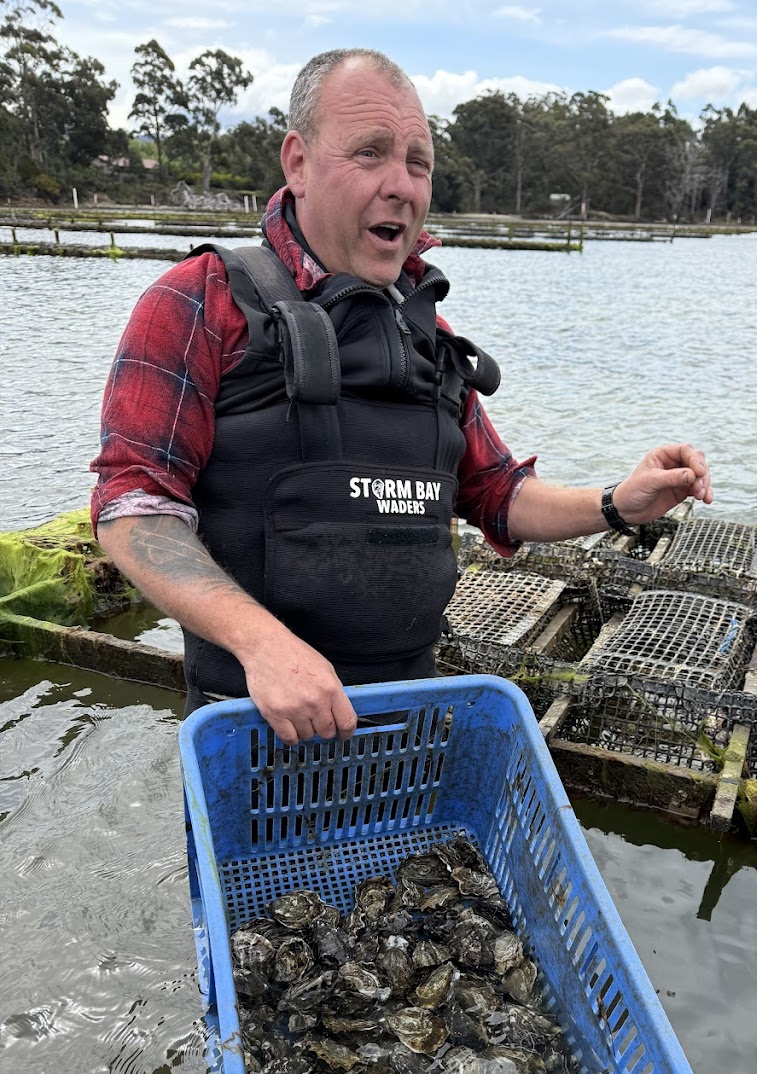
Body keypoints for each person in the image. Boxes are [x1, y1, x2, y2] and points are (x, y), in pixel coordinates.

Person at [90, 48, 712, 746]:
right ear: (297, 162)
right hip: (254, 730)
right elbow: (132, 509)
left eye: (418, 163)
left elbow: (496, 492)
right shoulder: (198, 303)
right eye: (370, 153)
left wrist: (614, 503)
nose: (401, 185)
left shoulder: (429, 337)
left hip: (406, 728)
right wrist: (262, 645)